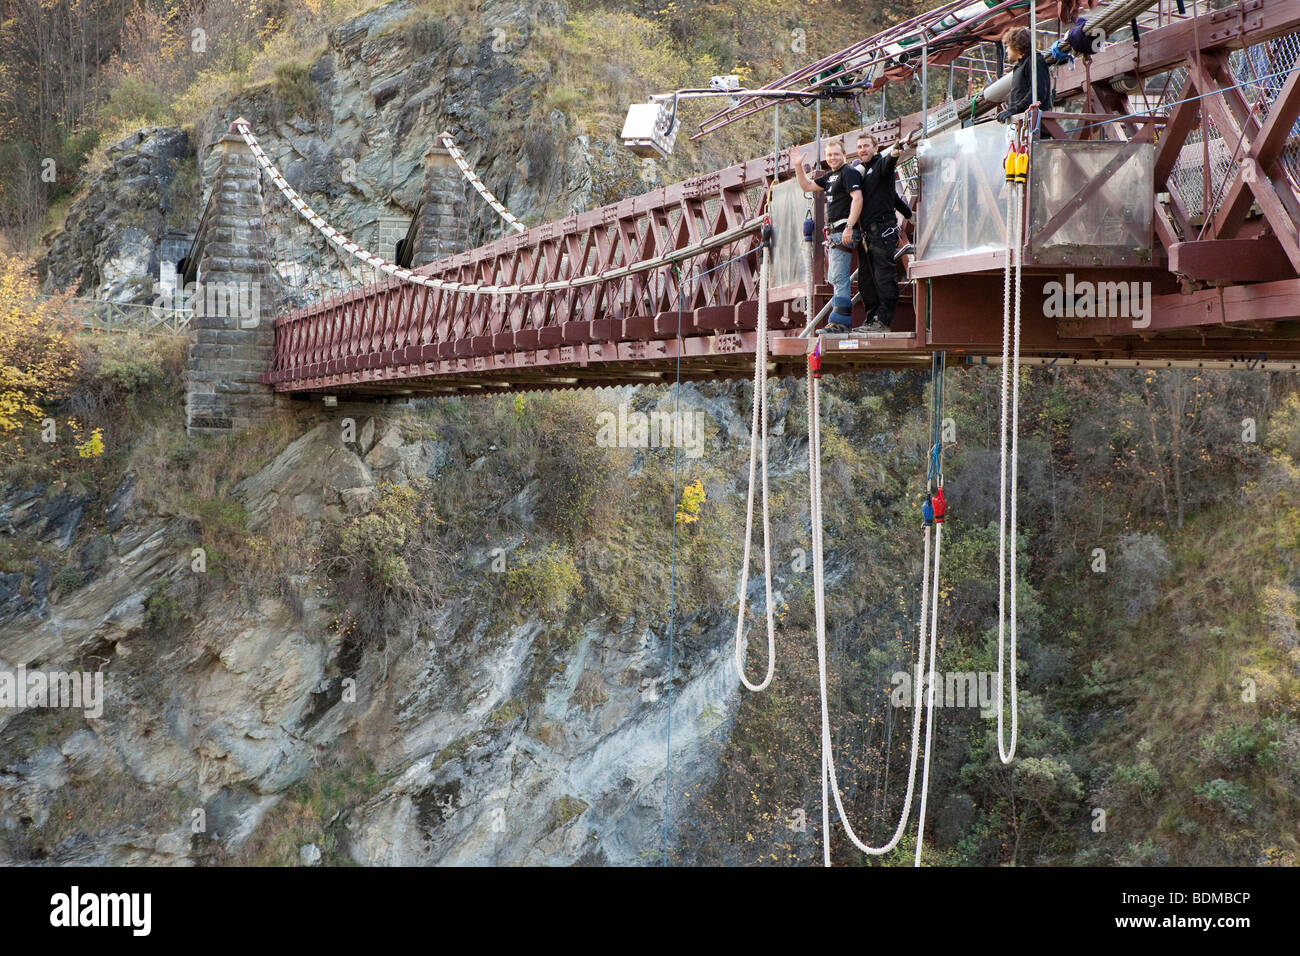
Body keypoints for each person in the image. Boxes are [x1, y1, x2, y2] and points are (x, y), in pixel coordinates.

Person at [788, 138, 862, 334]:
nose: (833, 158)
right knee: (835, 277)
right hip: (835, 233)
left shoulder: (849, 173)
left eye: (836, 154)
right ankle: (839, 320)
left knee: (839, 277)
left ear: (844, 155)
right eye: (829, 155)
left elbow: (857, 198)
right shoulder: (830, 176)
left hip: (843, 230)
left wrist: (849, 226)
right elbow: (807, 186)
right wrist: (798, 166)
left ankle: (840, 322)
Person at [851, 133, 912, 333]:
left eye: (866, 146)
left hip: (882, 231)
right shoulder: (862, 172)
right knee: (866, 281)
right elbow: (891, 196)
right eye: (859, 147)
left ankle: (883, 320)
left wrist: (896, 150)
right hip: (867, 234)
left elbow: (889, 162)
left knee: (884, 277)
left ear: (875, 148)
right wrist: (908, 213)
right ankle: (872, 319)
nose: (863, 150)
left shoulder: (880, 165)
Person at [997, 26, 1053, 123]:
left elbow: (1038, 93)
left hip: (1035, 124)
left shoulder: (1035, 61)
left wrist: (1014, 110)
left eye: (1008, 47)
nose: (1006, 51)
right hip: (1022, 122)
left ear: (1017, 46)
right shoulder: (1020, 65)